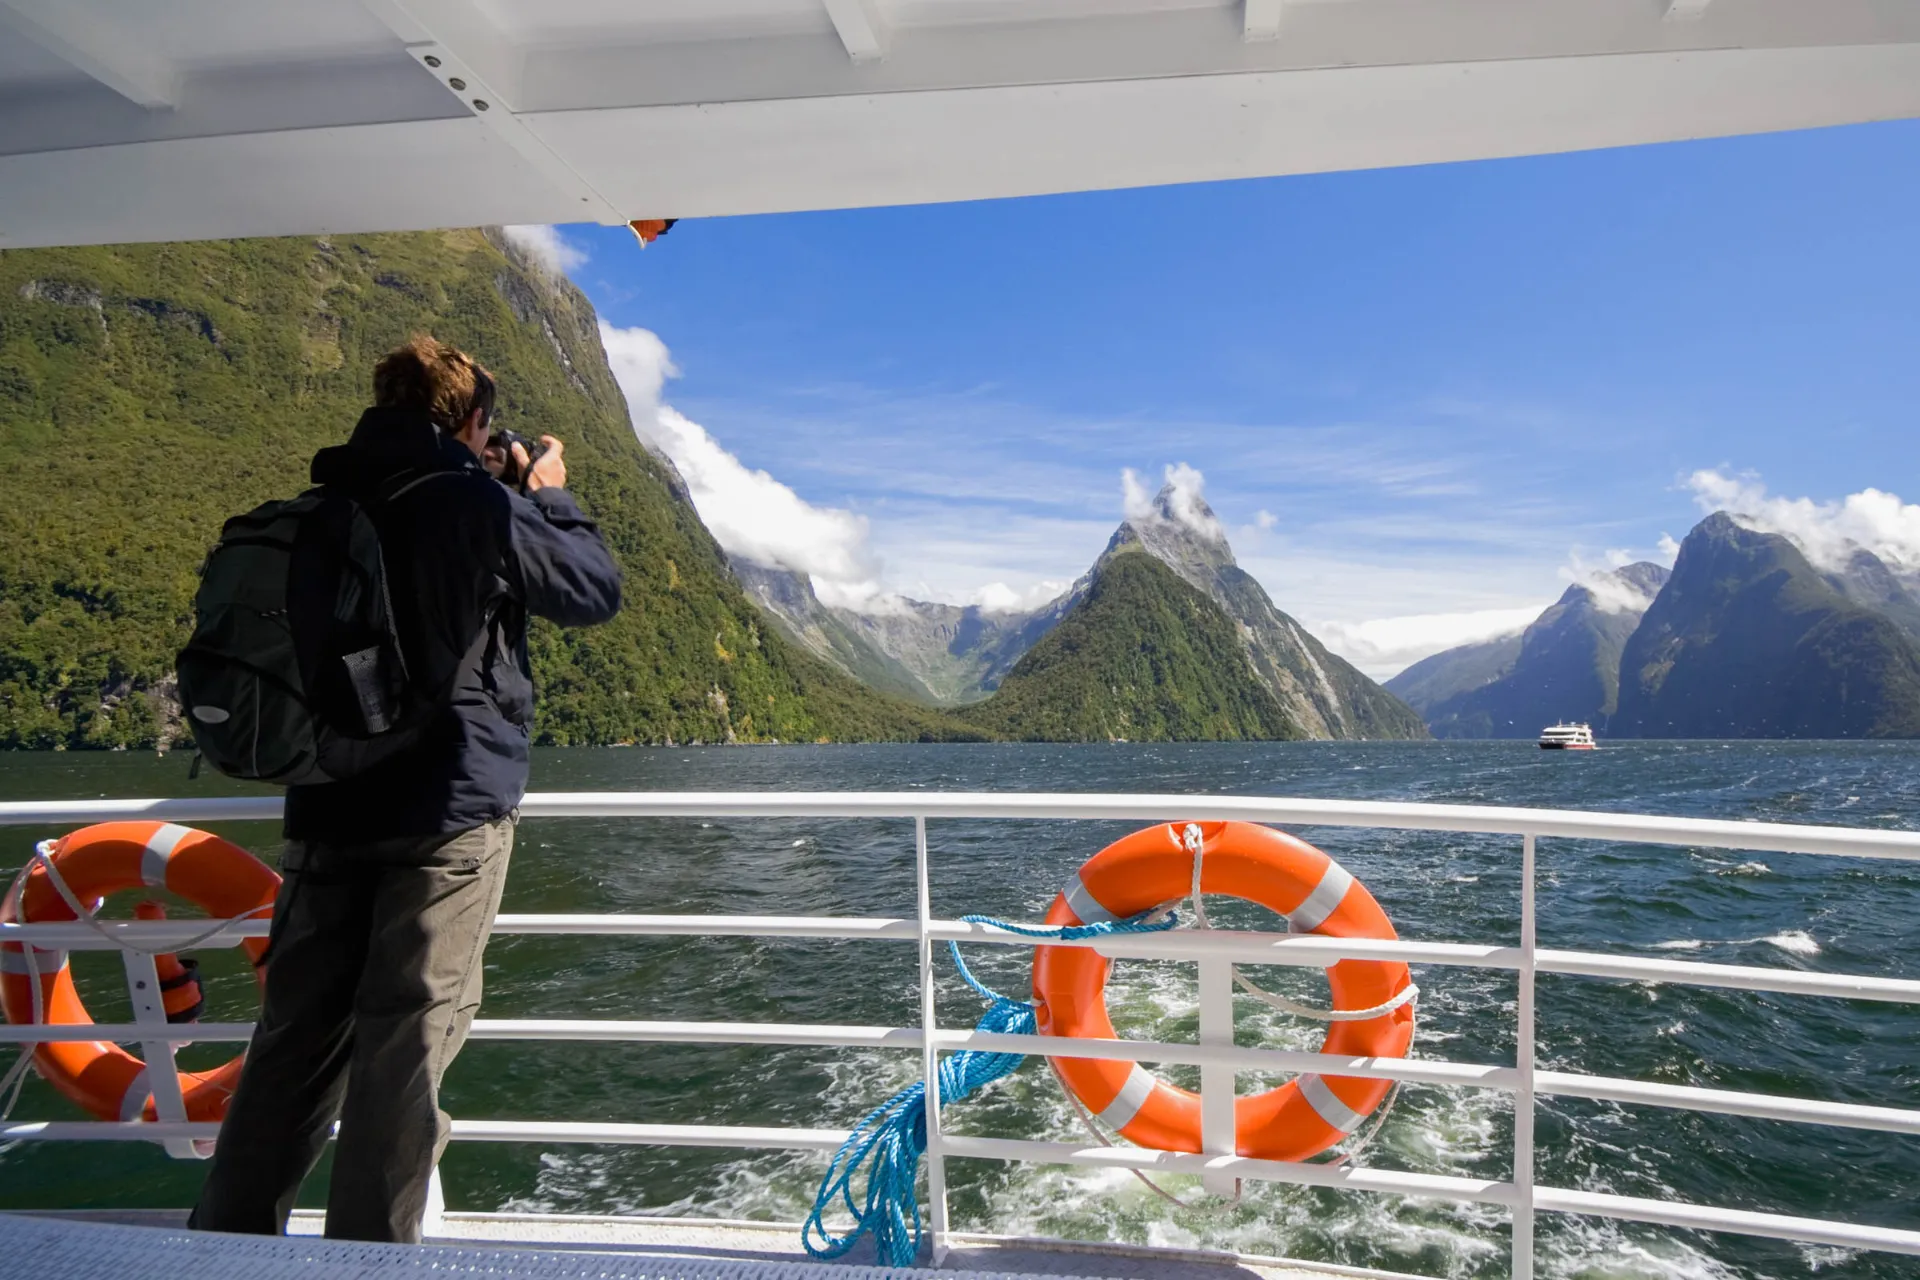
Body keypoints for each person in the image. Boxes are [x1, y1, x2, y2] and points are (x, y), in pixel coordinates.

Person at [190, 335, 623, 1243]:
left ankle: (225, 1249)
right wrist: (547, 493)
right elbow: (590, 590)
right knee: (404, 1053)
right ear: (470, 420)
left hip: (324, 806)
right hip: (444, 817)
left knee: (291, 1050)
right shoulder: (467, 502)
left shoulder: (327, 502)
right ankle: (368, 1262)